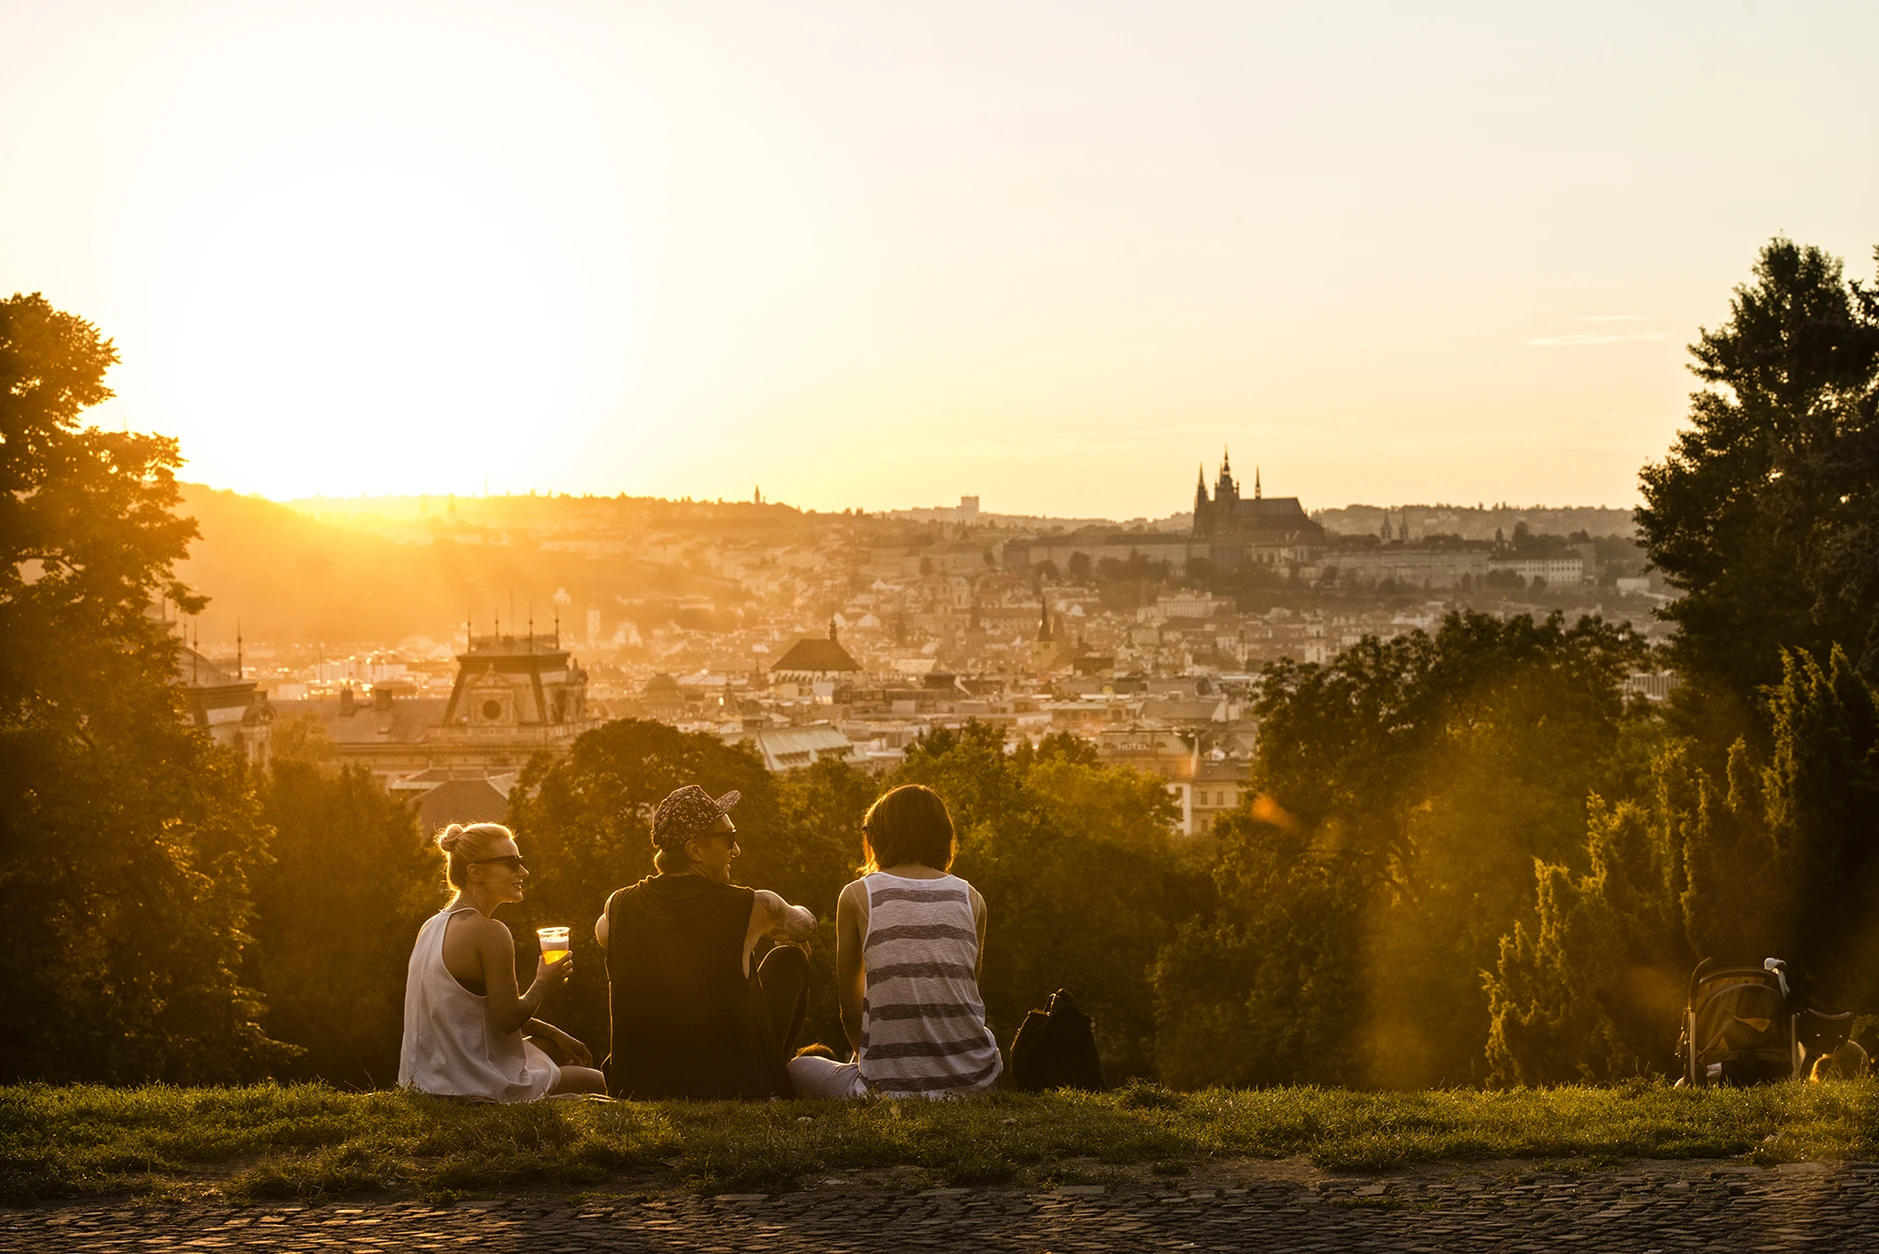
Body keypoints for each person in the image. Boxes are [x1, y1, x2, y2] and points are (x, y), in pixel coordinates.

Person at [596, 785, 818, 1098]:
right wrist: (781, 935)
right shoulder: (753, 907)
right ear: (695, 851)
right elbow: (806, 925)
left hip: (637, 1087)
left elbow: (602, 931)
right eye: (728, 839)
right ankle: (771, 1078)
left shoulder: (619, 904)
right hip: (730, 1086)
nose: (736, 850)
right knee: (790, 958)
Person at [787, 784, 1001, 1099]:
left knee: (797, 1067)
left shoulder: (858, 896)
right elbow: (960, 996)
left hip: (891, 1088)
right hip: (976, 1080)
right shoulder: (972, 898)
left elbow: (850, 1006)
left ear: (879, 837)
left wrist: (870, 1059)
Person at [399, 822, 608, 1100]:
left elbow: (469, 1013)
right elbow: (508, 1018)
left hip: (427, 1079)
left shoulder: (431, 927)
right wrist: (543, 981)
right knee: (604, 1082)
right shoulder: (490, 932)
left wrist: (552, 1032)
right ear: (476, 873)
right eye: (511, 863)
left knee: (552, 1046)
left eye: (520, 861)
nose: (523, 871)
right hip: (470, 1086)